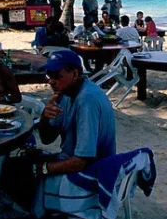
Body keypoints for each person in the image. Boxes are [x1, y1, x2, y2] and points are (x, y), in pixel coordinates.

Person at [33, 50, 116, 209]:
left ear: (75, 74)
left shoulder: (86, 100)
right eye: (48, 75)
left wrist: (43, 168)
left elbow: (81, 162)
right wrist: (44, 118)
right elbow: (47, 138)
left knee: (21, 176)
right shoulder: (64, 94)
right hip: (75, 162)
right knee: (20, 163)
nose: (51, 81)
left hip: (92, 173)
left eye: (56, 75)